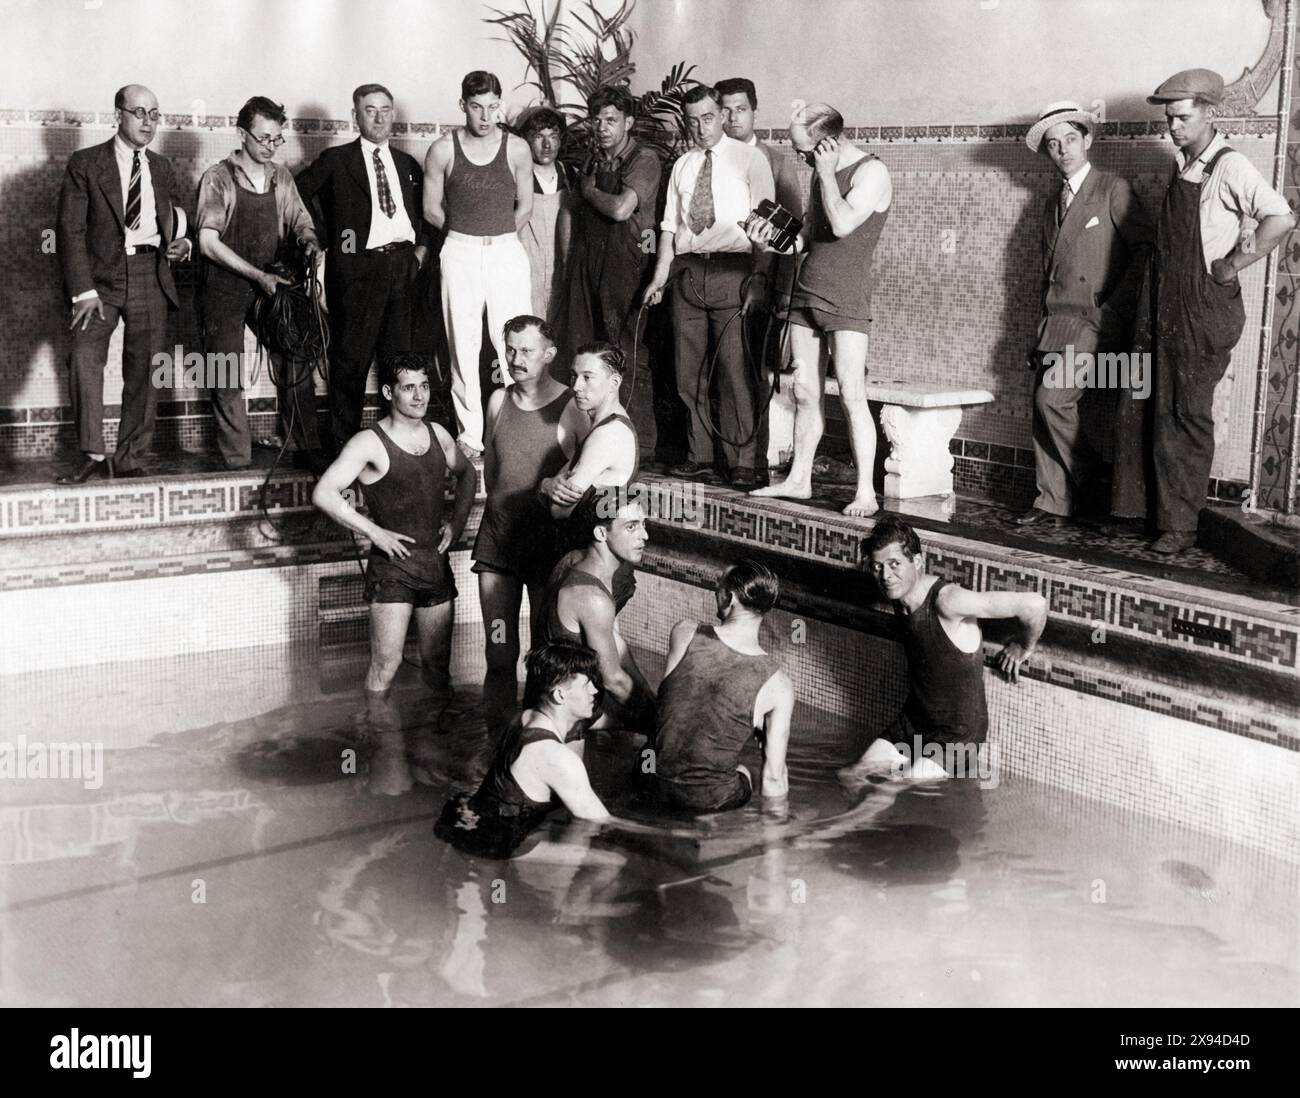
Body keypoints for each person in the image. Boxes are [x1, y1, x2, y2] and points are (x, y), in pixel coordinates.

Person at [1140, 69, 1295, 554]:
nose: (1174, 128)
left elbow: (1282, 217)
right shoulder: (1184, 164)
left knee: (1188, 414)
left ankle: (1182, 527)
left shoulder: (1229, 165)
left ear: (1210, 113)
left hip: (1202, 309)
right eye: (1170, 119)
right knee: (1163, 412)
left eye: (1183, 118)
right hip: (1170, 306)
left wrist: (1233, 264)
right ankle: (1168, 519)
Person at [746, 101, 891, 516]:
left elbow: (843, 224)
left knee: (851, 392)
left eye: (804, 150)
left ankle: (865, 490)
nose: (801, 158)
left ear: (827, 142)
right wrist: (767, 240)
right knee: (805, 390)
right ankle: (799, 479)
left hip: (846, 297)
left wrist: (825, 174)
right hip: (806, 291)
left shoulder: (871, 172)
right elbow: (804, 240)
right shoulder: (818, 173)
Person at [1015, 101, 1153, 527]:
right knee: (1041, 410)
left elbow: (1146, 253)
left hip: (1095, 322)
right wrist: (1035, 332)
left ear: (1087, 140)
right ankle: (1050, 501)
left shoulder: (1112, 188)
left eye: (1070, 139)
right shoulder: (1048, 204)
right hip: (1055, 322)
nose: (1063, 150)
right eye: (1054, 145)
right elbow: (1048, 277)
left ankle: (1098, 479)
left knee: (1051, 399)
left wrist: (1112, 311)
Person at [312, 352, 476, 697]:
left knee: (437, 665)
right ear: (389, 393)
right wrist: (374, 532)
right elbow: (324, 493)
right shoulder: (368, 442)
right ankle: (375, 739)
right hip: (392, 569)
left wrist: (456, 523)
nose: (420, 397)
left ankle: (437, 743)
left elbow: (468, 474)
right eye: (409, 388)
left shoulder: (439, 434)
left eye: (425, 386)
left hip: (434, 564)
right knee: (386, 666)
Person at [838, 518, 1047, 782]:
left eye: (894, 565)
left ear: (918, 562)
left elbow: (1035, 604)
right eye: (878, 567)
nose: (886, 576)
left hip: (958, 736)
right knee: (851, 776)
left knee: (890, 790)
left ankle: (839, 826)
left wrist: (1022, 646)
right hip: (915, 722)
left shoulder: (948, 601)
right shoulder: (900, 595)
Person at [55, 84, 192, 483]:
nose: (148, 122)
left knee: (146, 370)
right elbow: (69, 231)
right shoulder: (86, 163)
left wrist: (179, 243)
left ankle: (130, 457)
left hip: (151, 273)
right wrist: (84, 291)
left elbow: (169, 219)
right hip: (98, 280)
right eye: (139, 113)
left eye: (154, 114)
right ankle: (93, 454)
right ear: (118, 116)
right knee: (83, 357)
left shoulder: (162, 167)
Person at [643, 84, 775, 488]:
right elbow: (669, 228)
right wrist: (659, 278)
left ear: (721, 115)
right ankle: (699, 455)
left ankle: (743, 461)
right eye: (692, 120)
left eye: (707, 118)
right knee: (689, 372)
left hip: (734, 273)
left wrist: (758, 281)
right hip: (687, 273)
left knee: (734, 371)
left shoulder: (751, 160)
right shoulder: (683, 165)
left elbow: (766, 229)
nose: (700, 127)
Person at [297, 83, 430, 454]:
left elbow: (428, 213)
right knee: (350, 364)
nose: (379, 117)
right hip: (358, 272)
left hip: (403, 269)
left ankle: (400, 443)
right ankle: (344, 449)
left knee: (401, 363)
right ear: (354, 116)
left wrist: (419, 252)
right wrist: (329, 241)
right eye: (369, 110)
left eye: (385, 109)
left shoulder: (407, 165)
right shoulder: (336, 160)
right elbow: (297, 194)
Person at [474, 315, 588, 737]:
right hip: (498, 542)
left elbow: (591, 477)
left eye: (527, 350)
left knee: (546, 655)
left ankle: (543, 746)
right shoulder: (497, 402)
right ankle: (499, 747)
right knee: (499, 651)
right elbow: (492, 472)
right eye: (510, 349)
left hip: (546, 545)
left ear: (549, 354)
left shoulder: (572, 408)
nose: (516, 359)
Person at [195, 96, 324, 472]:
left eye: (276, 139)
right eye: (263, 138)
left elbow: (300, 219)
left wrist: (309, 241)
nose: (270, 147)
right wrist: (256, 276)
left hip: (269, 280)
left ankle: (302, 441)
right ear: (242, 134)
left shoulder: (280, 178)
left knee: (296, 353)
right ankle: (237, 458)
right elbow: (207, 242)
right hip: (223, 285)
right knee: (225, 369)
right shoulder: (219, 178)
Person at [423, 70, 535, 457]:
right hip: (459, 252)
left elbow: (526, 207)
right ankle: (470, 436)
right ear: (462, 106)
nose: (486, 117)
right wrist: (467, 237)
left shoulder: (518, 148)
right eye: (477, 107)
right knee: (464, 345)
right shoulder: (443, 149)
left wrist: (498, 236)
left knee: (516, 343)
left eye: (492, 107)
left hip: (506, 251)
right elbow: (431, 209)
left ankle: (517, 430)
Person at [435, 640, 610, 859]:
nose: (595, 690)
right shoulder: (555, 756)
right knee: (612, 861)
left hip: (464, 817)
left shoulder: (525, 717)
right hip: (493, 843)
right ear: (560, 695)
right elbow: (601, 822)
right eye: (587, 685)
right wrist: (658, 830)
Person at [654, 560, 794, 813]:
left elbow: (666, 706)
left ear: (729, 599)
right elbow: (774, 778)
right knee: (746, 771)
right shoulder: (778, 685)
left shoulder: (684, 632)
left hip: (652, 781)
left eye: (718, 589)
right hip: (710, 799)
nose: (714, 594)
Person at [538, 485, 656, 735]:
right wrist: (660, 726)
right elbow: (613, 680)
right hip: (565, 724)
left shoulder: (575, 562)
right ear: (601, 532)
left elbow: (617, 645)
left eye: (643, 524)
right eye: (631, 526)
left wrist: (649, 696)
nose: (644, 536)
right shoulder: (592, 598)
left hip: (565, 704)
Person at [565, 85, 662, 385]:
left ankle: (635, 432)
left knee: (625, 352)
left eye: (611, 120)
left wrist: (590, 190)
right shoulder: (594, 161)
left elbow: (621, 209)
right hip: (591, 262)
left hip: (627, 266)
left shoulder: (644, 159)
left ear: (628, 123)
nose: (602, 127)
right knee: (589, 349)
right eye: (597, 120)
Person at [516, 106, 576, 324]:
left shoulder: (570, 175)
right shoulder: (517, 176)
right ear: (525, 139)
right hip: (526, 270)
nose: (547, 145)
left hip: (561, 268)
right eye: (538, 137)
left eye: (553, 136)